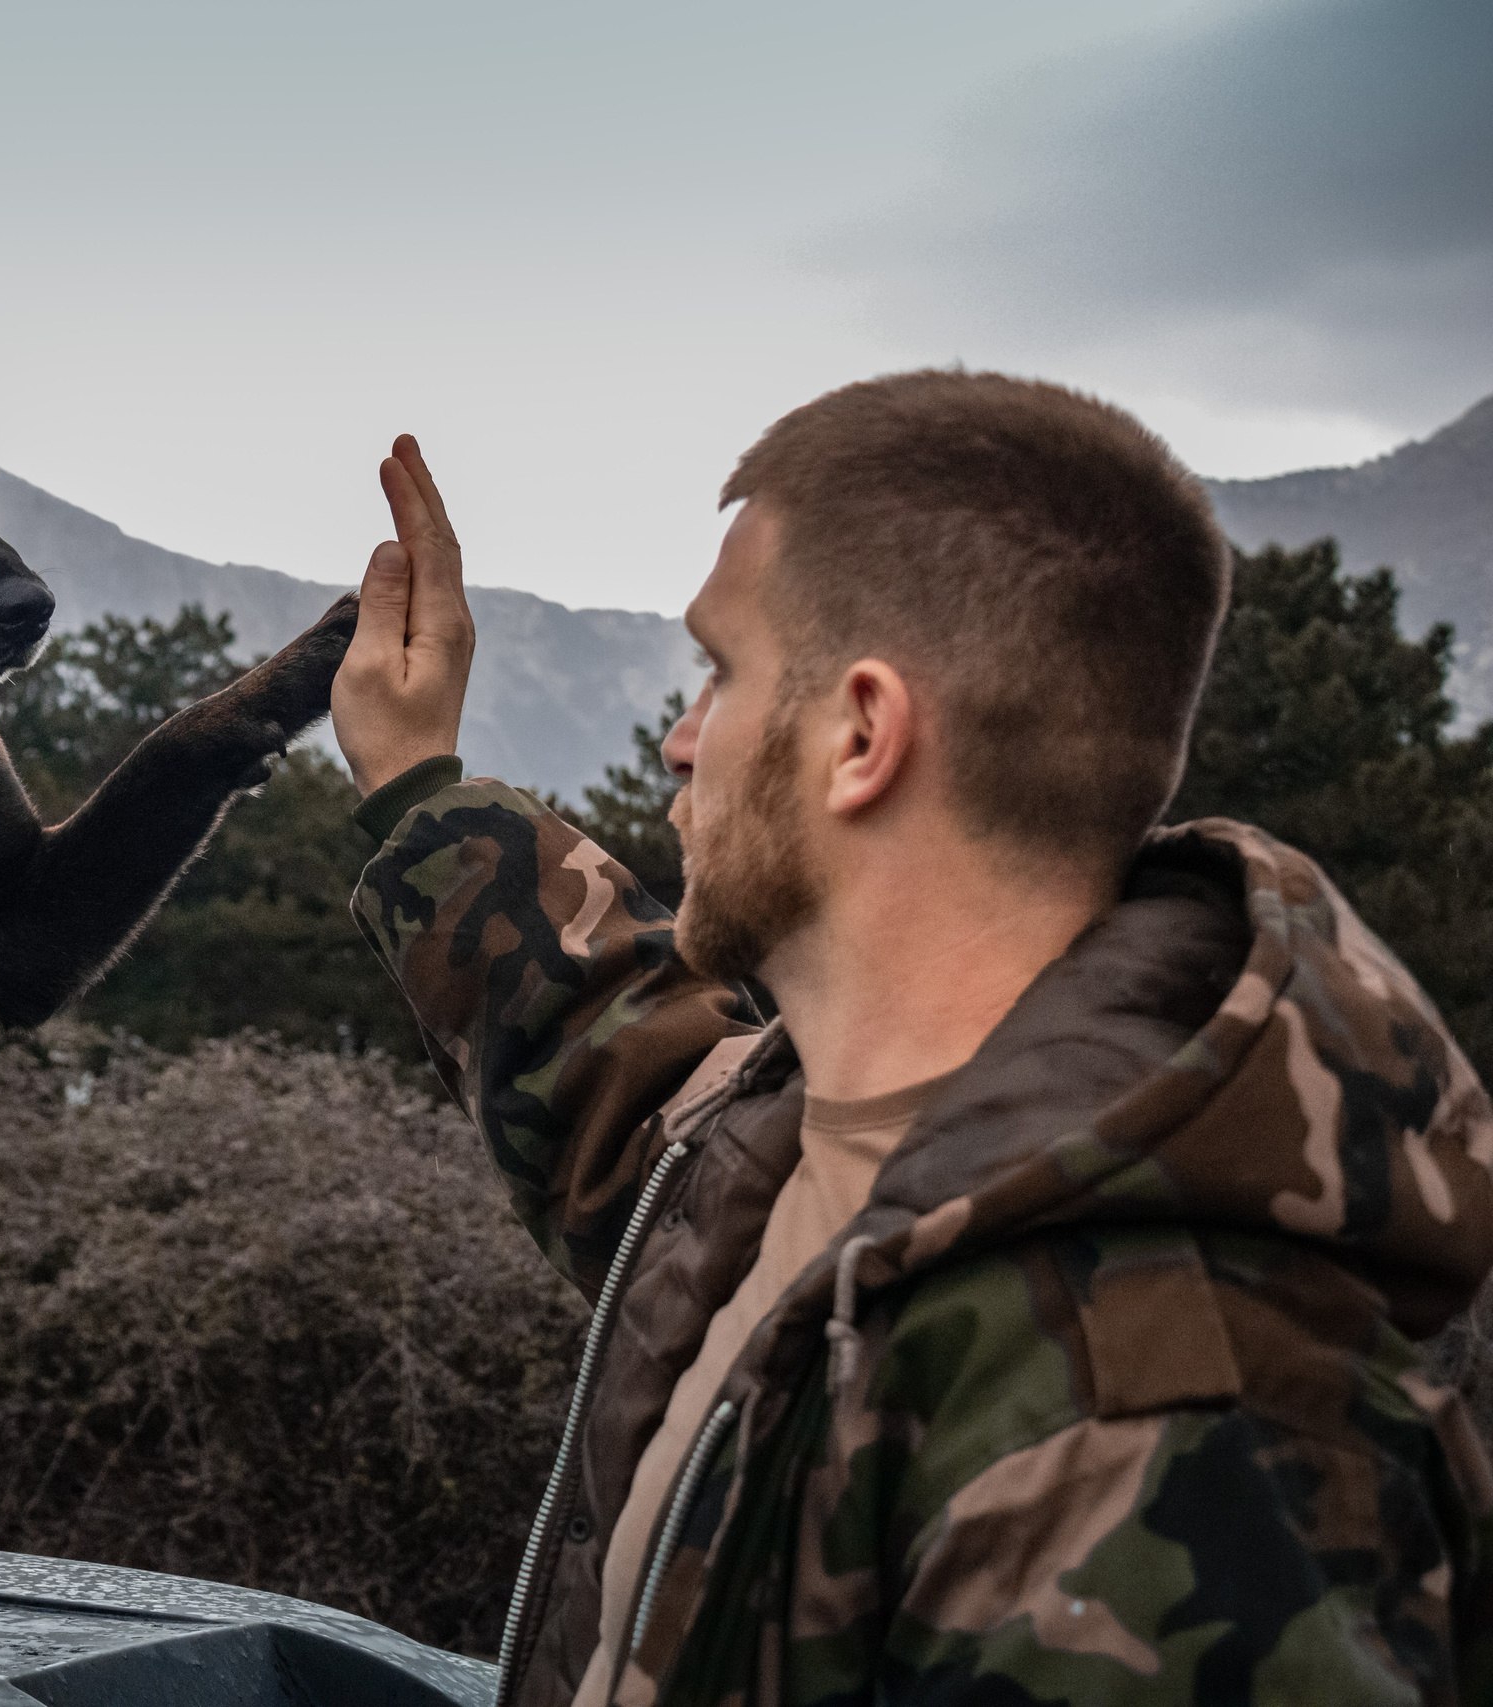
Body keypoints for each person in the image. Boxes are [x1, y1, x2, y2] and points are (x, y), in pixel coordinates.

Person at [327, 375, 1493, 1706]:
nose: (679, 739)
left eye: (718, 671)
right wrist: (417, 784)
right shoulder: (798, 1136)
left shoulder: (1149, 1420)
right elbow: (620, 1073)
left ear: (864, 733)